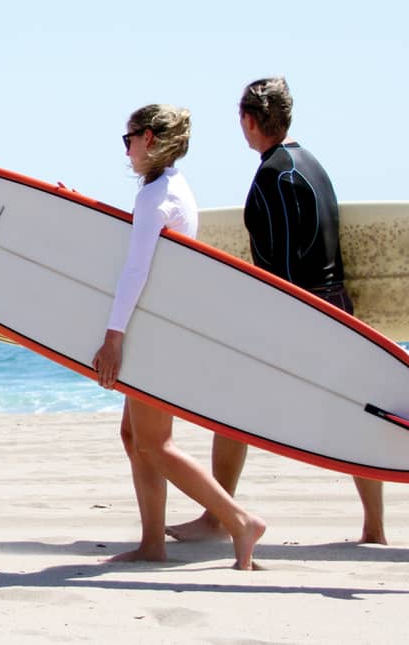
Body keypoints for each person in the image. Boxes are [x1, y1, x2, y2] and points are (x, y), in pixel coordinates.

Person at [166, 77, 387, 546]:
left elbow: (284, 265)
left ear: (248, 121)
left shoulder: (275, 174)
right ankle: (374, 528)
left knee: (230, 410)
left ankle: (216, 519)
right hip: (337, 305)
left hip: (301, 313)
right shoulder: (312, 164)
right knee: (351, 414)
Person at [92, 104, 267, 569]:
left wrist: (113, 337)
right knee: (134, 436)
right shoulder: (172, 188)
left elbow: (136, 270)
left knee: (156, 443)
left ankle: (238, 521)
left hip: (154, 333)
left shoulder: (155, 198)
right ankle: (153, 543)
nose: (125, 150)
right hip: (161, 326)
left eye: (127, 139)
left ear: (148, 138)